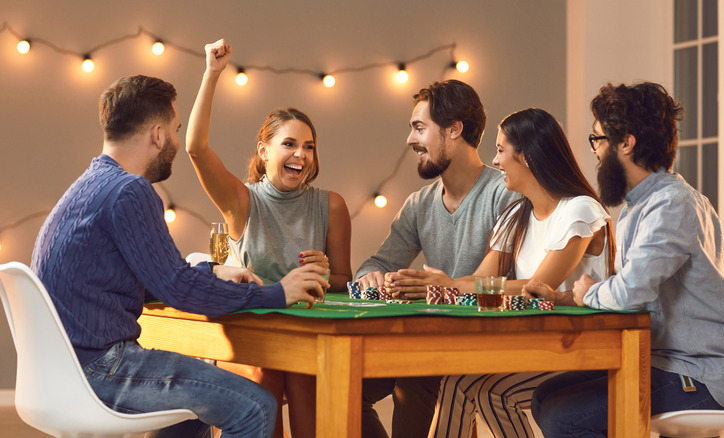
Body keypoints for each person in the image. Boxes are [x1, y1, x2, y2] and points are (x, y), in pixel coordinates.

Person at [30, 75, 329, 438]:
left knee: (198, 401)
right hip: (99, 370)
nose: (174, 140)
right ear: (157, 134)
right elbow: (179, 289)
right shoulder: (129, 191)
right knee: (255, 406)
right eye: (175, 130)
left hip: (60, 372)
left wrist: (212, 270)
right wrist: (278, 293)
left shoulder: (89, 186)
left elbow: (155, 277)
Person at [526, 82, 724, 437]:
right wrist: (569, 298)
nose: (595, 151)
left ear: (626, 143)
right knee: (546, 395)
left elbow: (631, 292)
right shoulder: (641, 206)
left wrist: (588, 295)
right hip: (664, 361)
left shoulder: (672, 205)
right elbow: (635, 289)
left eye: (597, 139)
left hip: (697, 374)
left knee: (563, 417)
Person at [186, 39, 351, 438]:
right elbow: (195, 148)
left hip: (304, 335)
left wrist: (326, 274)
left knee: (306, 376)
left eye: (308, 146)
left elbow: (345, 282)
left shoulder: (331, 205)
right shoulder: (242, 201)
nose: (301, 155)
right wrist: (212, 73)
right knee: (268, 374)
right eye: (289, 144)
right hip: (252, 334)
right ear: (263, 151)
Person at [417, 108, 615, 438]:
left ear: (528, 157)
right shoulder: (516, 215)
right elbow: (482, 280)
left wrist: (454, 285)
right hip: (541, 345)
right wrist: (440, 283)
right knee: (457, 383)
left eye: (500, 150)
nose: (495, 161)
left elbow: (539, 287)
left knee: (489, 392)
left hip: (584, 349)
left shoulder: (580, 210)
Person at [355, 79, 519, 438]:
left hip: (489, 343)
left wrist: (446, 289)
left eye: (419, 128)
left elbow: (511, 285)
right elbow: (376, 263)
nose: (410, 140)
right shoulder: (419, 204)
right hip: (425, 342)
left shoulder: (504, 194)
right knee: (345, 386)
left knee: (412, 384)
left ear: (454, 129)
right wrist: (371, 276)